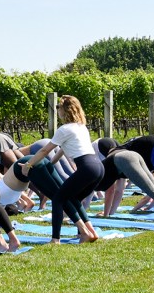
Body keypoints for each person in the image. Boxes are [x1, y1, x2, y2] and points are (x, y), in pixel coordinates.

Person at [24, 95, 105, 244]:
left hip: (87, 167)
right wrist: (52, 163)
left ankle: (55, 239)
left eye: (59, 108)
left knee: (58, 199)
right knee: (74, 199)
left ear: (65, 110)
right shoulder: (81, 127)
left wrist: (28, 165)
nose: (58, 111)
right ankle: (87, 233)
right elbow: (62, 149)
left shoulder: (64, 129)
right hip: (98, 168)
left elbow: (44, 151)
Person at [93, 139, 154, 230]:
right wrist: (109, 214)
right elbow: (118, 190)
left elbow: (111, 191)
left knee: (152, 191)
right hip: (133, 155)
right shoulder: (104, 167)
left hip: (124, 159)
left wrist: (106, 214)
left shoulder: (94, 176)